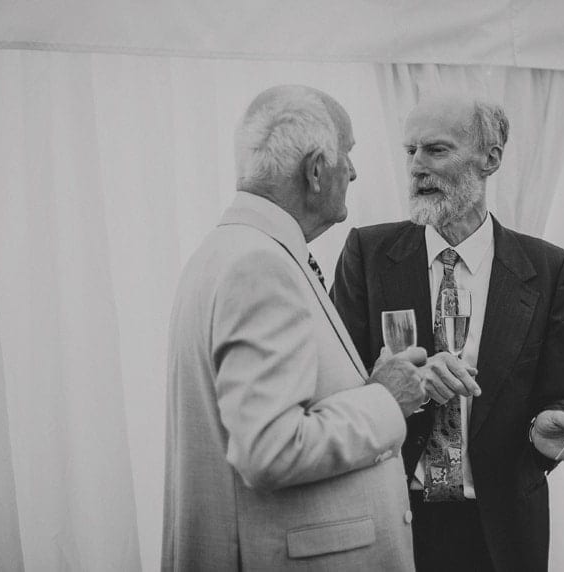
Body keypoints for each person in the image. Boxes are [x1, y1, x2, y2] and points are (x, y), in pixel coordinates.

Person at [331, 94, 564, 572]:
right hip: (395, 519)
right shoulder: (368, 253)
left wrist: (544, 424)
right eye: (410, 151)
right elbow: (336, 390)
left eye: (436, 150)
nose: (417, 166)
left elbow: (559, 396)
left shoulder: (549, 269)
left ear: (491, 158)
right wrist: (399, 385)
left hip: (504, 529)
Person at [162, 85, 430, 571]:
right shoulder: (258, 266)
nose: (354, 171)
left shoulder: (227, 251)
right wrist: (385, 399)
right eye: (347, 155)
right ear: (314, 171)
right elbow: (271, 449)